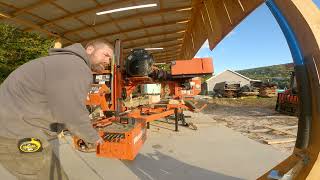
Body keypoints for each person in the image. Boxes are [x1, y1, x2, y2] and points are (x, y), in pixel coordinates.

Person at [0, 39, 114, 180]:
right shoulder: (76, 67)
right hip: (17, 133)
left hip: (17, 128)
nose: (108, 60)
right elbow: (72, 112)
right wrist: (92, 138)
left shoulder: (62, 63)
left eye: (110, 58)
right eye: (106, 54)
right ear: (90, 49)